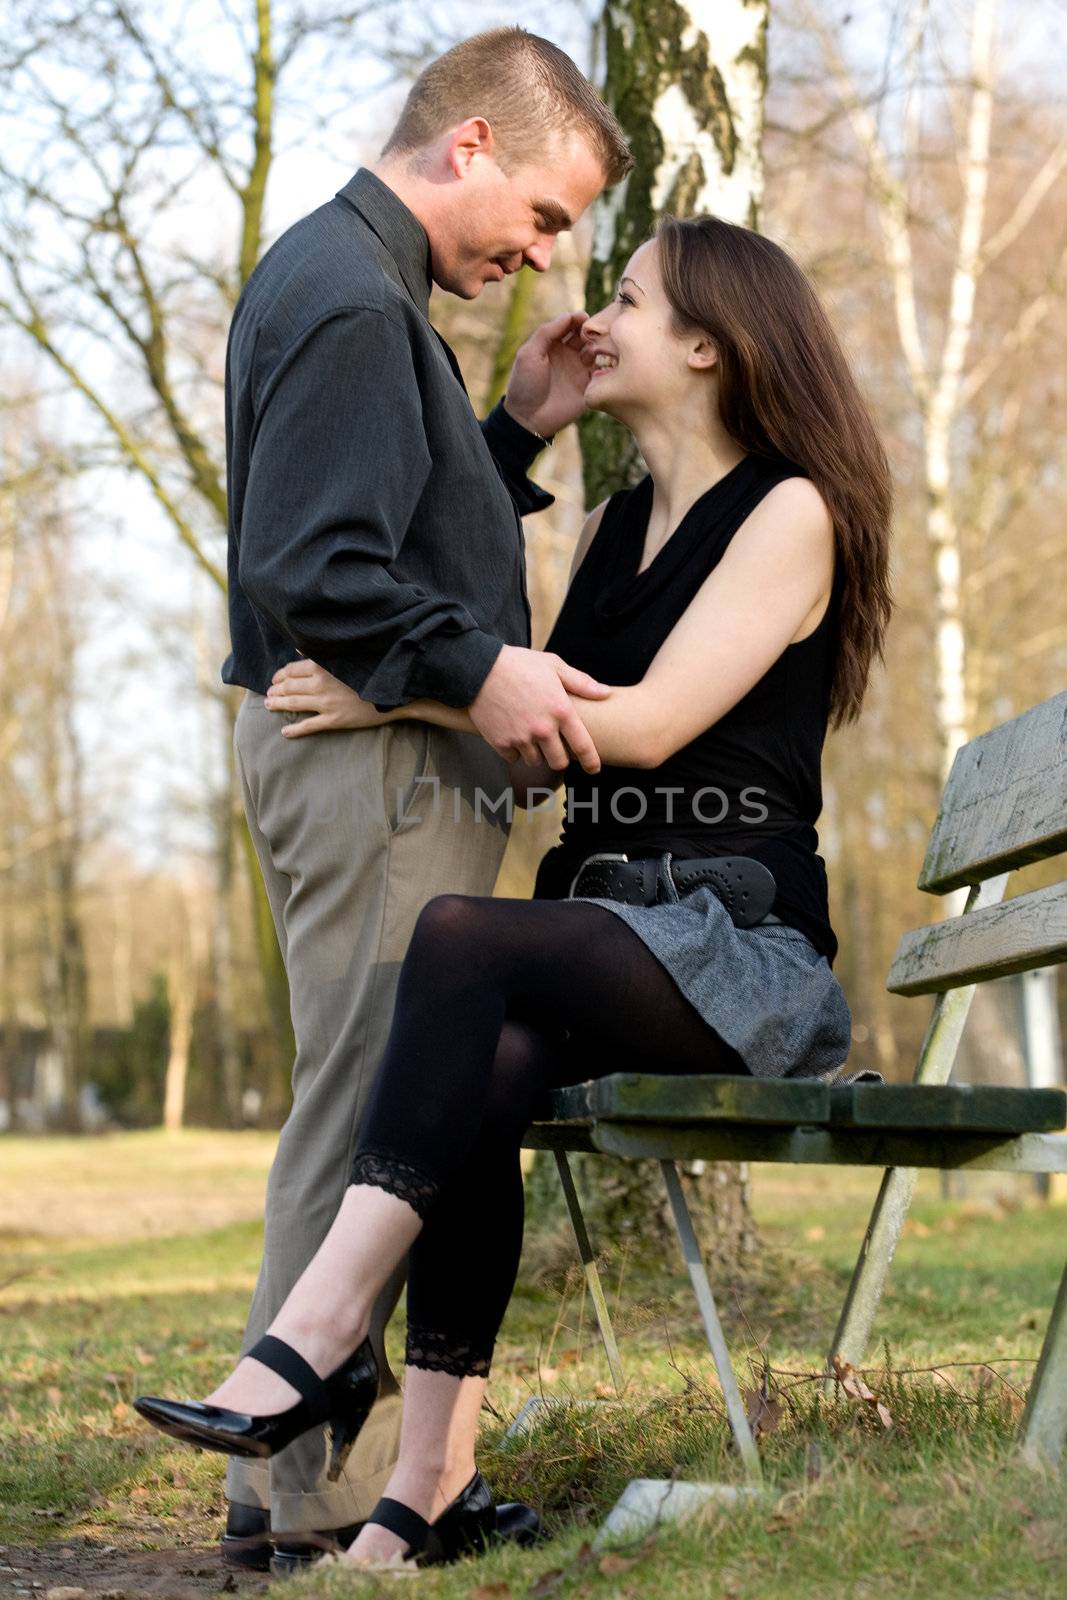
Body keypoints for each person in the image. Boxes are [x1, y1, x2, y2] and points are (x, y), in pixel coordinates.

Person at [137, 213, 893, 1571]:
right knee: (483, 1057)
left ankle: (314, 1336)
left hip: (736, 941)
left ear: (710, 347)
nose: (597, 314)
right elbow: (534, 719)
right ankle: (421, 1489)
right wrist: (521, 428)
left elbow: (646, 724)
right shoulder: (607, 527)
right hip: (610, 922)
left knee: (461, 939)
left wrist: (401, 692)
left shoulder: (791, 512)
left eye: (631, 298)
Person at [214, 24, 632, 1572]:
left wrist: (511, 432)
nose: (542, 252)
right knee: (373, 1109)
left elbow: (387, 517)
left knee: (362, 1097)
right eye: (540, 214)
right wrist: (478, 675)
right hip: (376, 775)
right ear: (471, 146)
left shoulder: (361, 287)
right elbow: (316, 564)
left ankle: (290, 1489)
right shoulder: (343, 294)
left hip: (383, 763)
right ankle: (317, 1499)